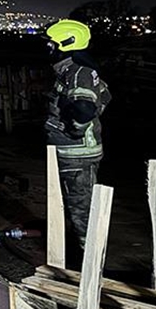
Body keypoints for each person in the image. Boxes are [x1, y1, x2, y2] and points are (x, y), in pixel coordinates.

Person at [44, 19, 110, 247]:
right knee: (75, 207)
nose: (48, 49)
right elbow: (104, 98)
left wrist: (73, 130)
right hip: (74, 153)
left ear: (66, 44)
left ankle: (90, 266)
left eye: (51, 44)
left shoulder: (78, 73)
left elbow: (84, 108)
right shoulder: (73, 71)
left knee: (82, 212)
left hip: (78, 155)